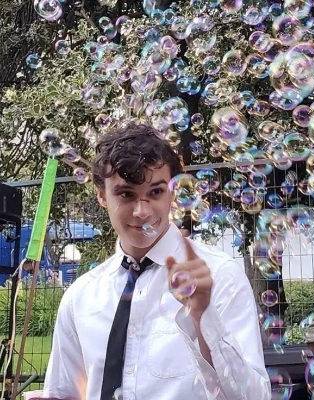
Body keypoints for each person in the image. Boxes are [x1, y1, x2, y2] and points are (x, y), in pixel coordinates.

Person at [41, 122, 271, 400]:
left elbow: (254, 396)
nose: (142, 211)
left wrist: (203, 317)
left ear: (173, 192)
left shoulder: (220, 275)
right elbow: (63, 393)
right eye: (126, 194)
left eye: (156, 192)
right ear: (101, 195)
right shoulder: (80, 297)